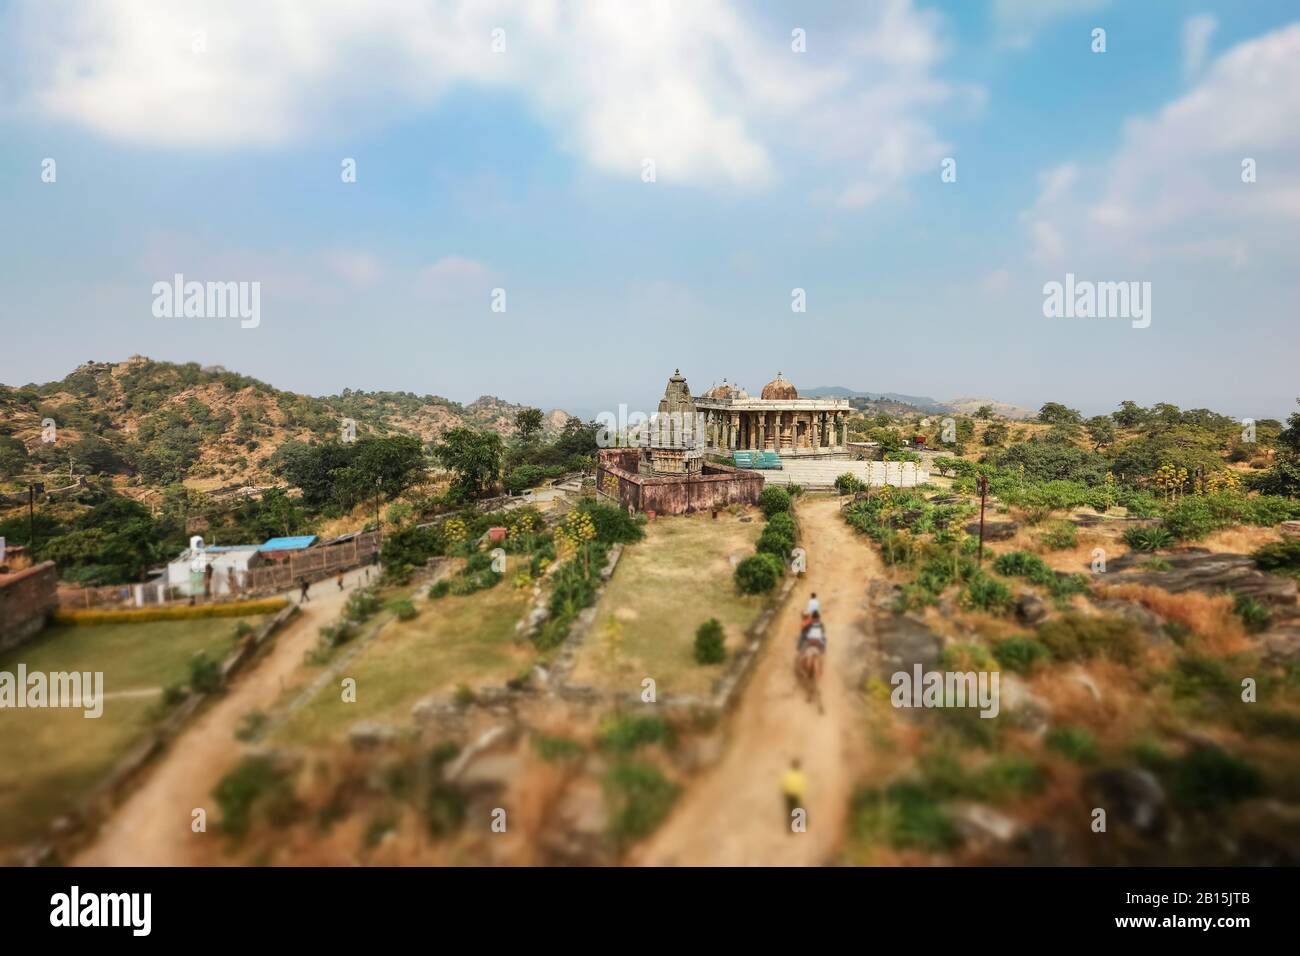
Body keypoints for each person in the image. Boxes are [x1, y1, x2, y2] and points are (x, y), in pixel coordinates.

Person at [781, 758, 807, 828]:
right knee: (797, 810)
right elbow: (803, 785)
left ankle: (790, 827)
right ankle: (799, 826)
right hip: (795, 795)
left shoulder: (788, 774)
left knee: (790, 811)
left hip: (789, 795)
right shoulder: (800, 775)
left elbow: (783, 784)